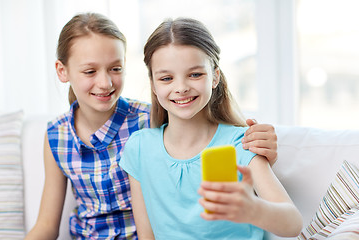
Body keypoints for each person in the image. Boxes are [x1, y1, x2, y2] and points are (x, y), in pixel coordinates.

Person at [25, 13, 279, 240]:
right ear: (62, 70)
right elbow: (47, 226)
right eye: (90, 71)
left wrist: (261, 148)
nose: (104, 82)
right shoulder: (57, 135)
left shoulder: (148, 120)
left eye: (115, 68)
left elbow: (200, 127)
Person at [119, 17, 303, 240]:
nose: (181, 88)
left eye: (195, 74)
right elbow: (147, 235)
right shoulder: (139, 148)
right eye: (166, 78)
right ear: (153, 85)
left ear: (215, 76)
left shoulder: (240, 143)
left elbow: (293, 223)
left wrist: (253, 209)